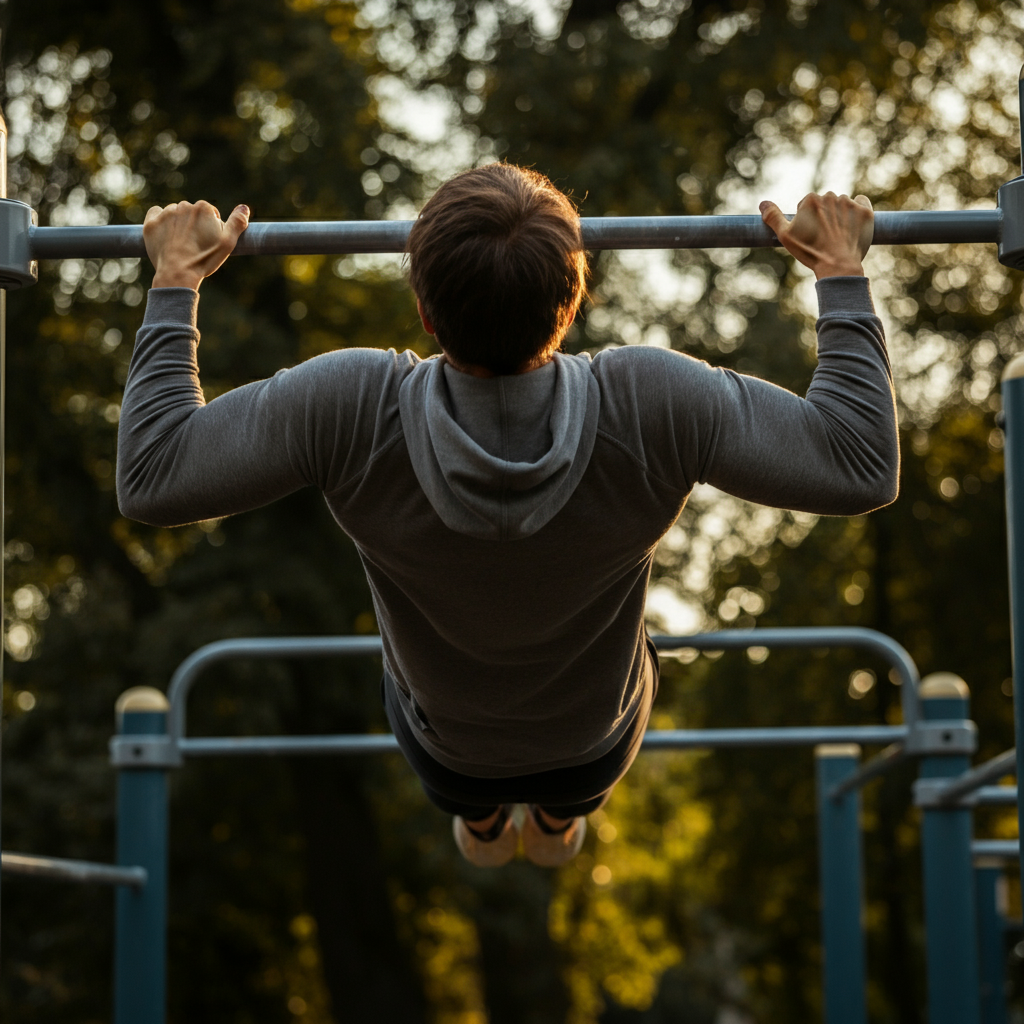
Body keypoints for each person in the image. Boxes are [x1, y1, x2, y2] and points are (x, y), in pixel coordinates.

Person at [117, 163, 897, 869]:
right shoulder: (651, 402)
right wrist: (840, 271)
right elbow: (859, 463)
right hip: (596, 743)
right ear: (573, 301)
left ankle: (484, 821)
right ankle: (558, 818)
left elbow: (153, 477)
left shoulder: (351, 407)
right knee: (624, 657)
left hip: (444, 750)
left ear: (425, 311)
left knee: (446, 717)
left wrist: (175, 280)